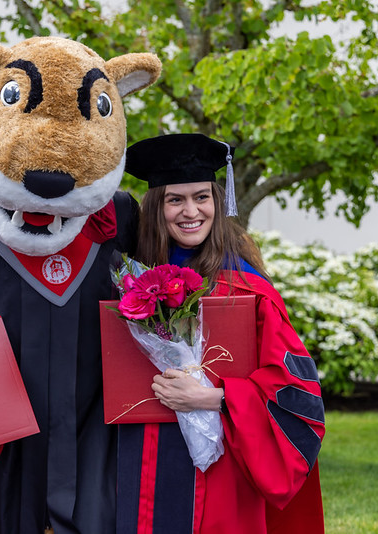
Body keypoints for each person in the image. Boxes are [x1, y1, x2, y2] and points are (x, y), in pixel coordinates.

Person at [117, 133, 326, 533]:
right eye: (174, 199)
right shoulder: (132, 278)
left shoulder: (246, 286)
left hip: (226, 455)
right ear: (155, 208)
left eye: (201, 197)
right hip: (145, 453)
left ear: (218, 201)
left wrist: (213, 397)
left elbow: (297, 391)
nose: (189, 211)